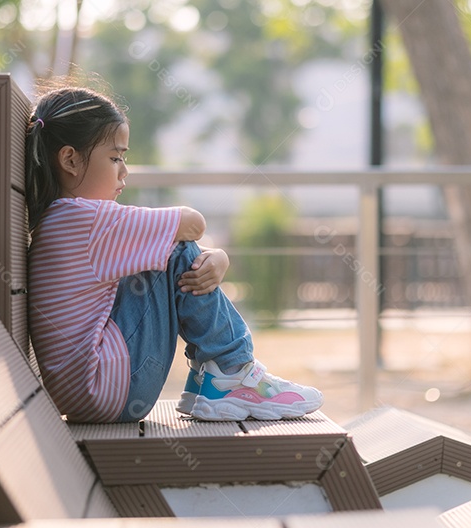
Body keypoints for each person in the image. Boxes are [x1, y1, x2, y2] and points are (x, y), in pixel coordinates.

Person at [24, 85, 323, 423]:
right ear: (70, 160)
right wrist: (213, 255)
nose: (124, 171)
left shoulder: (57, 220)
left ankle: (223, 376)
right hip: (110, 387)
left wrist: (214, 257)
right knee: (173, 244)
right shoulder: (86, 218)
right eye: (115, 157)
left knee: (164, 245)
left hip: (89, 393)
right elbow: (191, 225)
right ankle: (232, 369)